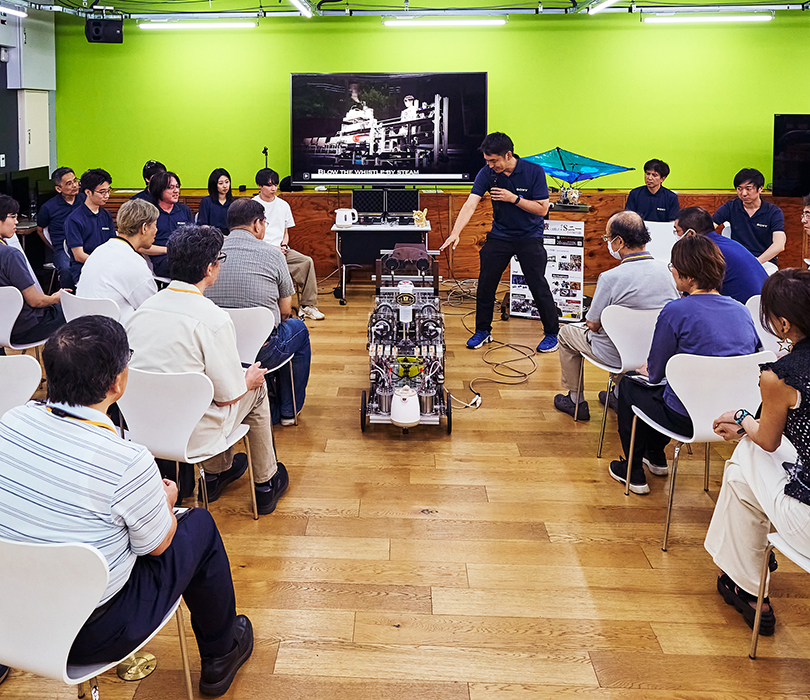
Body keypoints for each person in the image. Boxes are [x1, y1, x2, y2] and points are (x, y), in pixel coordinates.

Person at [0, 316, 253, 697]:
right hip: (87, 634)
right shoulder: (127, 460)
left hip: (9, 612)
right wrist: (165, 501)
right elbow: (158, 546)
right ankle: (221, 653)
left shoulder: (11, 421)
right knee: (198, 525)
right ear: (117, 383)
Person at [126, 224, 289, 515]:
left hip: (141, 427)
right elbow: (229, 397)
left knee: (205, 387)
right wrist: (248, 379)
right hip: (194, 436)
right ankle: (264, 483)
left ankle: (218, 472)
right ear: (210, 268)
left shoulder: (143, 310)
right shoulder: (213, 319)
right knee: (256, 386)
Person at [609, 235, 760, 495]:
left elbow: (655, 374)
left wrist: (647, 368)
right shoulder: (741, 310)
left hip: (686, 417)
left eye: (674, 266)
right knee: (661, 391)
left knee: (630, 386)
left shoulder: (675, 310)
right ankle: (655, 454)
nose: (672, 271)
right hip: (734, 416)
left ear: (688, 276)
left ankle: (633, 470)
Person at [706, 266, 810, 637]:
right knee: (743, 469)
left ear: (783, 324)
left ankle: (747, 586)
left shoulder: (781, 375)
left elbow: (767, 441)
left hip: (806, 522)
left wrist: (741, 419)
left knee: (745, 458)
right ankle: (743, 582)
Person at [439, 132, 559, 352]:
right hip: (500, 235)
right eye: (487, 161)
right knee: (485, 284)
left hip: (530, 236)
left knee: (538, 285)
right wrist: (455, 232)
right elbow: (470, 204)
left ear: (508, 155)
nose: (490, 165)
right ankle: (483, 331)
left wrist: (514, 198)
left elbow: (542, 209)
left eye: (493, 161)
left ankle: (552, 333)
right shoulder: (487, 173)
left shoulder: (534, 171)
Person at [553, 211, 678, 420]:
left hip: (616, 355)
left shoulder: (610, 278)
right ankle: (619, 396)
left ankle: (576, 401)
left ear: (619, 241)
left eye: (608, 238)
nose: (608, 243)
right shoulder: (668, 272)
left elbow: (592, 324)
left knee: (566, 333)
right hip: (654, 356)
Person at [205, 198, 311, 426]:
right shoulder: (273, 254)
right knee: (298, 329)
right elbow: (285, 311)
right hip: (263, 351)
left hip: (219, 349)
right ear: (256, 224)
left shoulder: (210, 254)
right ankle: (288, 411)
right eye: (264, 223)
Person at [253, 168, 324, 320]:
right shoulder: (253, 205)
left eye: (275, 185)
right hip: (261, 251)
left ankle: (307, 306)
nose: (273, 188)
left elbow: (285, 232)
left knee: (306, 261)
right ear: (259, 186)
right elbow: (252, 235)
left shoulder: (283, 205)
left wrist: (284, 246)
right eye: (269, 185)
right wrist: (272, 248)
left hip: (282, 250)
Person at [76, 198, 159, 323]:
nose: (156, 230)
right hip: (115, 329)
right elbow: (152, 308)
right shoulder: (134, 263)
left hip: (82, 324)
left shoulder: (99, 251)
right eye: (155, 225)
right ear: (144, 228)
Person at [0, 195, 65, 345]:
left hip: (3, 327)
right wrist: (56, 298)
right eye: (13, 216)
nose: (16, 222)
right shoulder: (10, 255)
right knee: (72, 312)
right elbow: (35, 301)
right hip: (23, 329)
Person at [675, 206, 768, 304]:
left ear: (690, 233)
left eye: (677, 231)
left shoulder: (703, 252)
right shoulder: (729, 243)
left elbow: (692, 296)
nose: (676, 236)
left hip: (744, 308)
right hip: (765, 305)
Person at [712, 168, 786, 264]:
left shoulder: (773, 212)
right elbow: (708, 228)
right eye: (739, 189)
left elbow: (779, 245)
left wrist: (756, 262)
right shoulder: (730, 207)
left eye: (748, 189)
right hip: (738, 260)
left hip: (764, 261)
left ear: (760, 189)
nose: (743, 194)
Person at [36, 167, 85, 288]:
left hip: (84, 243)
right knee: (66, 269)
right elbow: (40, 230)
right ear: (58, 189)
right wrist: (54, 247)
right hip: (62, 247)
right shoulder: (48, 207)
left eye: (75, 181)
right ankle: (69, 296)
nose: (75, 185)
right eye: (69, 183)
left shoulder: (85, 200)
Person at [64, 169, 115, 283]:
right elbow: (79, 255)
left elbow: (113, 244)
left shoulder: (106, 215)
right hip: (85, 269)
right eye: (102, 192)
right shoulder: (74, 219)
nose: (106, 196)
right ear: (88, 192)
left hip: (107, 267)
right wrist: (102, 265)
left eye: (108, 191)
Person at [145, 171, 193, 278]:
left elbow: (193, 237)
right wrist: (168, 250)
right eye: (171, 188)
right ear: (159, 190)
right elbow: (141, 247)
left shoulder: (184, 210)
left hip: (186, 257)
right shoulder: (150, 213)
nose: (176, 191)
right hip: (162, 259)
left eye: (177, 187)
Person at [624, 158, 679, 223]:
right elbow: (629, 218)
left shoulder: (671, 197)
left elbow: (672, 221)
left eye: (654, 175)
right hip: (639, 228)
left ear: (662, 179)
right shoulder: (635, 194)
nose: (649, 178)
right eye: (648, 174)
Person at [198, 168, 234, 233]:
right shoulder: (206, 201)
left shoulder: (233, 203)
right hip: (211, 236)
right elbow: (203, 225)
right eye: (221, 183)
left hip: (229, 236)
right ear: (214, 185)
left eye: (227, 182)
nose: (225, 186)